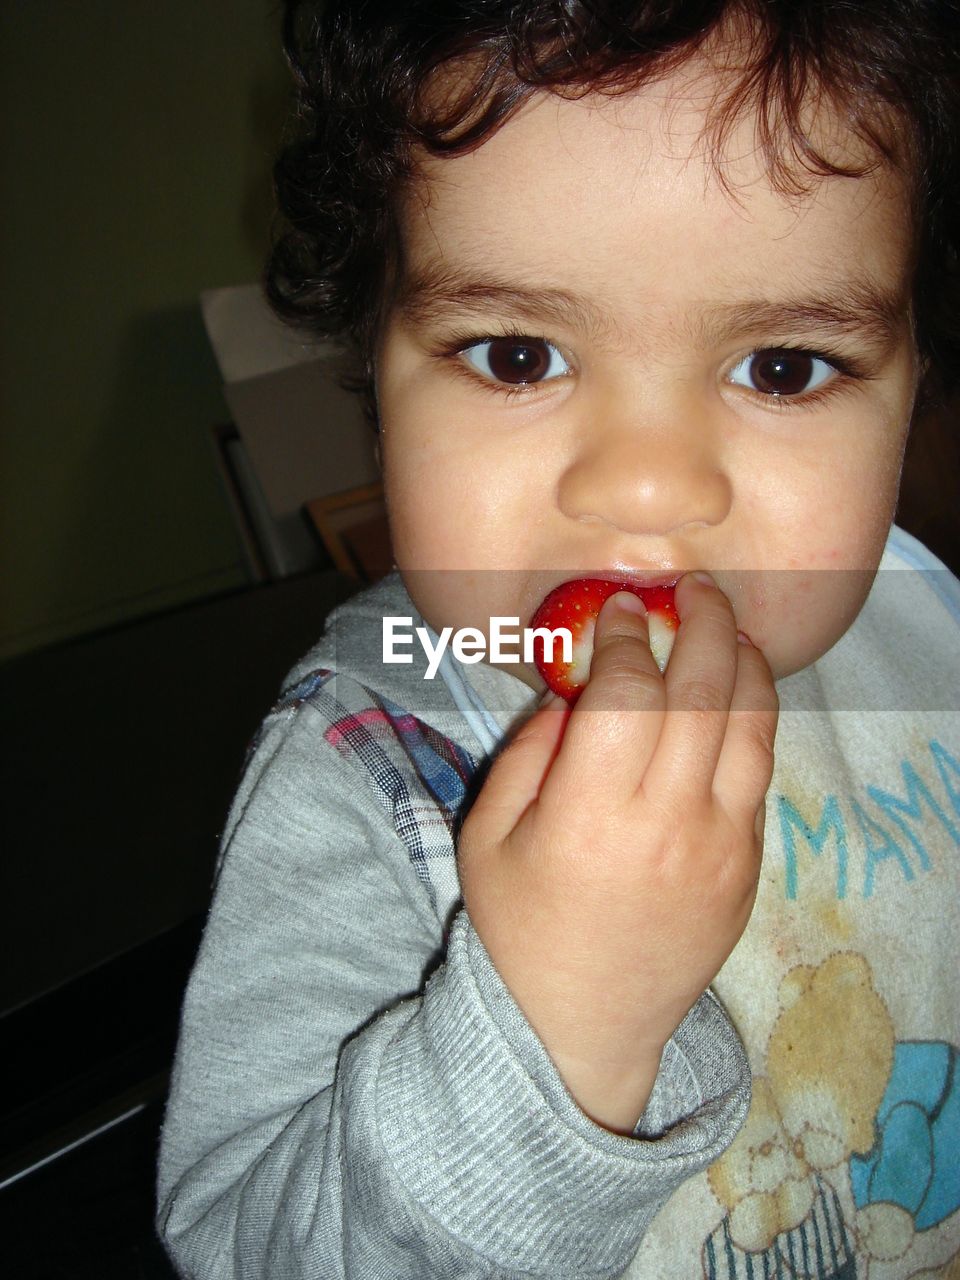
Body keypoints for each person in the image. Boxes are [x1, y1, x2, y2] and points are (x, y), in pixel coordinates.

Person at [157, 2, 960, 1275]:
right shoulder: (373, 764)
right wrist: (562, 1019)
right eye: (520, 353)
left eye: (785, 369)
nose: (647, 490)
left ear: (915, 379)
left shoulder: (932, 642)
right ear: (374, 368)